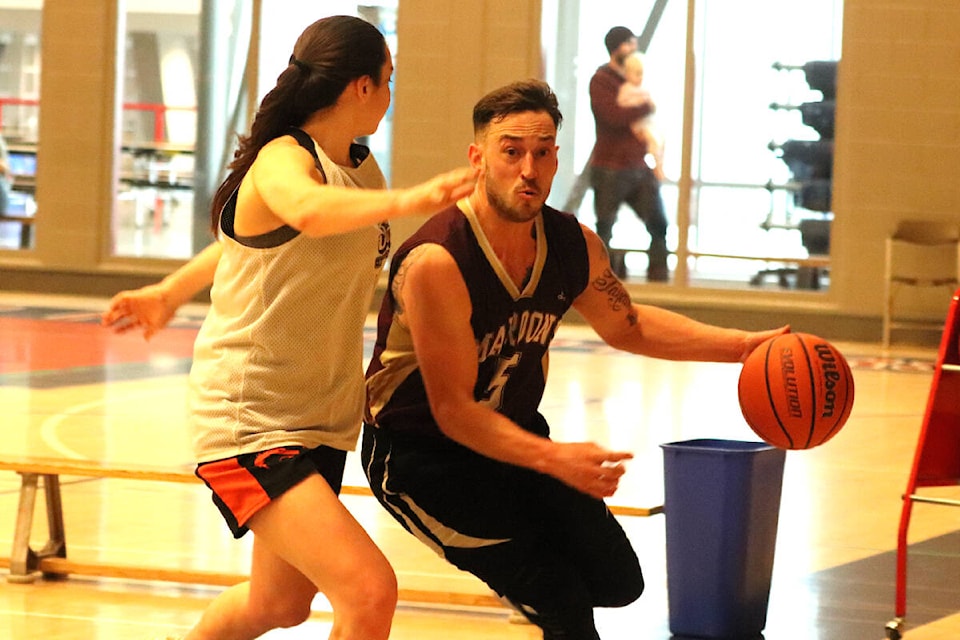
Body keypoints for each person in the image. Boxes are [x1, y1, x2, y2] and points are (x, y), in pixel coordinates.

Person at [361, 79, 788, 639]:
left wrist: (741, 348)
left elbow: (628, 325)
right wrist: (553, 459)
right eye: (511, 152)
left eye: (542, 153)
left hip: (513, 437)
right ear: (477, 158)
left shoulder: (572, 244)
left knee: (617, 582)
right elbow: (454, 412)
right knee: (559, 597)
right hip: (423, 458)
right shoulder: (438, 262)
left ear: (558, 157)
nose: (528, 170)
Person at [103, 15, 476, 640]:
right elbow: (304, 210)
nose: (391, 95)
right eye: (388, 81)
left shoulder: (361, 168)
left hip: (321, 419)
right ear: (361, 86)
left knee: (278, 606)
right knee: (368, 589)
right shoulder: (284, 159)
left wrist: (170, 291)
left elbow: (246, 240)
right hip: (251, 417)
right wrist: (416, 199)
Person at [588, 26, 669, 282]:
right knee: (605, 226)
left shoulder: (634, 81)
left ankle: (658, 277)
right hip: (610, 166)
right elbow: (612, 116)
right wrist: (645, 106)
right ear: (618, 48)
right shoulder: (601, 80)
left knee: (658, 223)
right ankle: (604, 282)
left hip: (637, 165)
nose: (634, 50)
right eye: (630, 45)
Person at [618, 52, 665, 182]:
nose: (640, 78)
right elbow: (625, 107)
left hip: (647, 122)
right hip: (639, 126)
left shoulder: (643, 89)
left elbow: (652, 105)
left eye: (642, 74)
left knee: (661, 139)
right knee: (653, 141)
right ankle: (657, 167)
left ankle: (660, 164)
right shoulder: (627, 90)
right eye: (637, 74)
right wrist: (643, 105)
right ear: (628, 74)